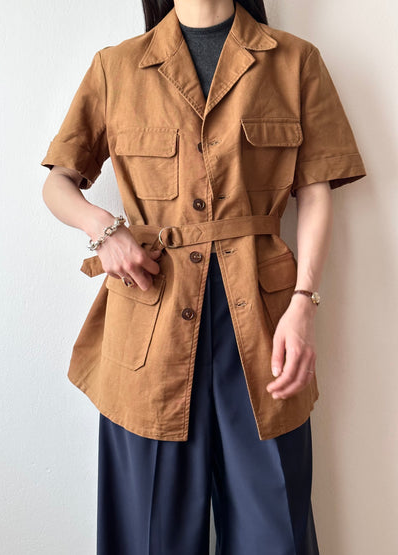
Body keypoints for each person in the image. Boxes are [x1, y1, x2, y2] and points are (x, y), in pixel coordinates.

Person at [40, 1, 366, 553]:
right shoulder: (116, 67)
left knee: (274, 534)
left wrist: (304, 302)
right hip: (150, 332)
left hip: (263, 329)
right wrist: (104, 229)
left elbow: (315, 192)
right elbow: (58, 182)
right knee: (150, 536)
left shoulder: (294, 61)